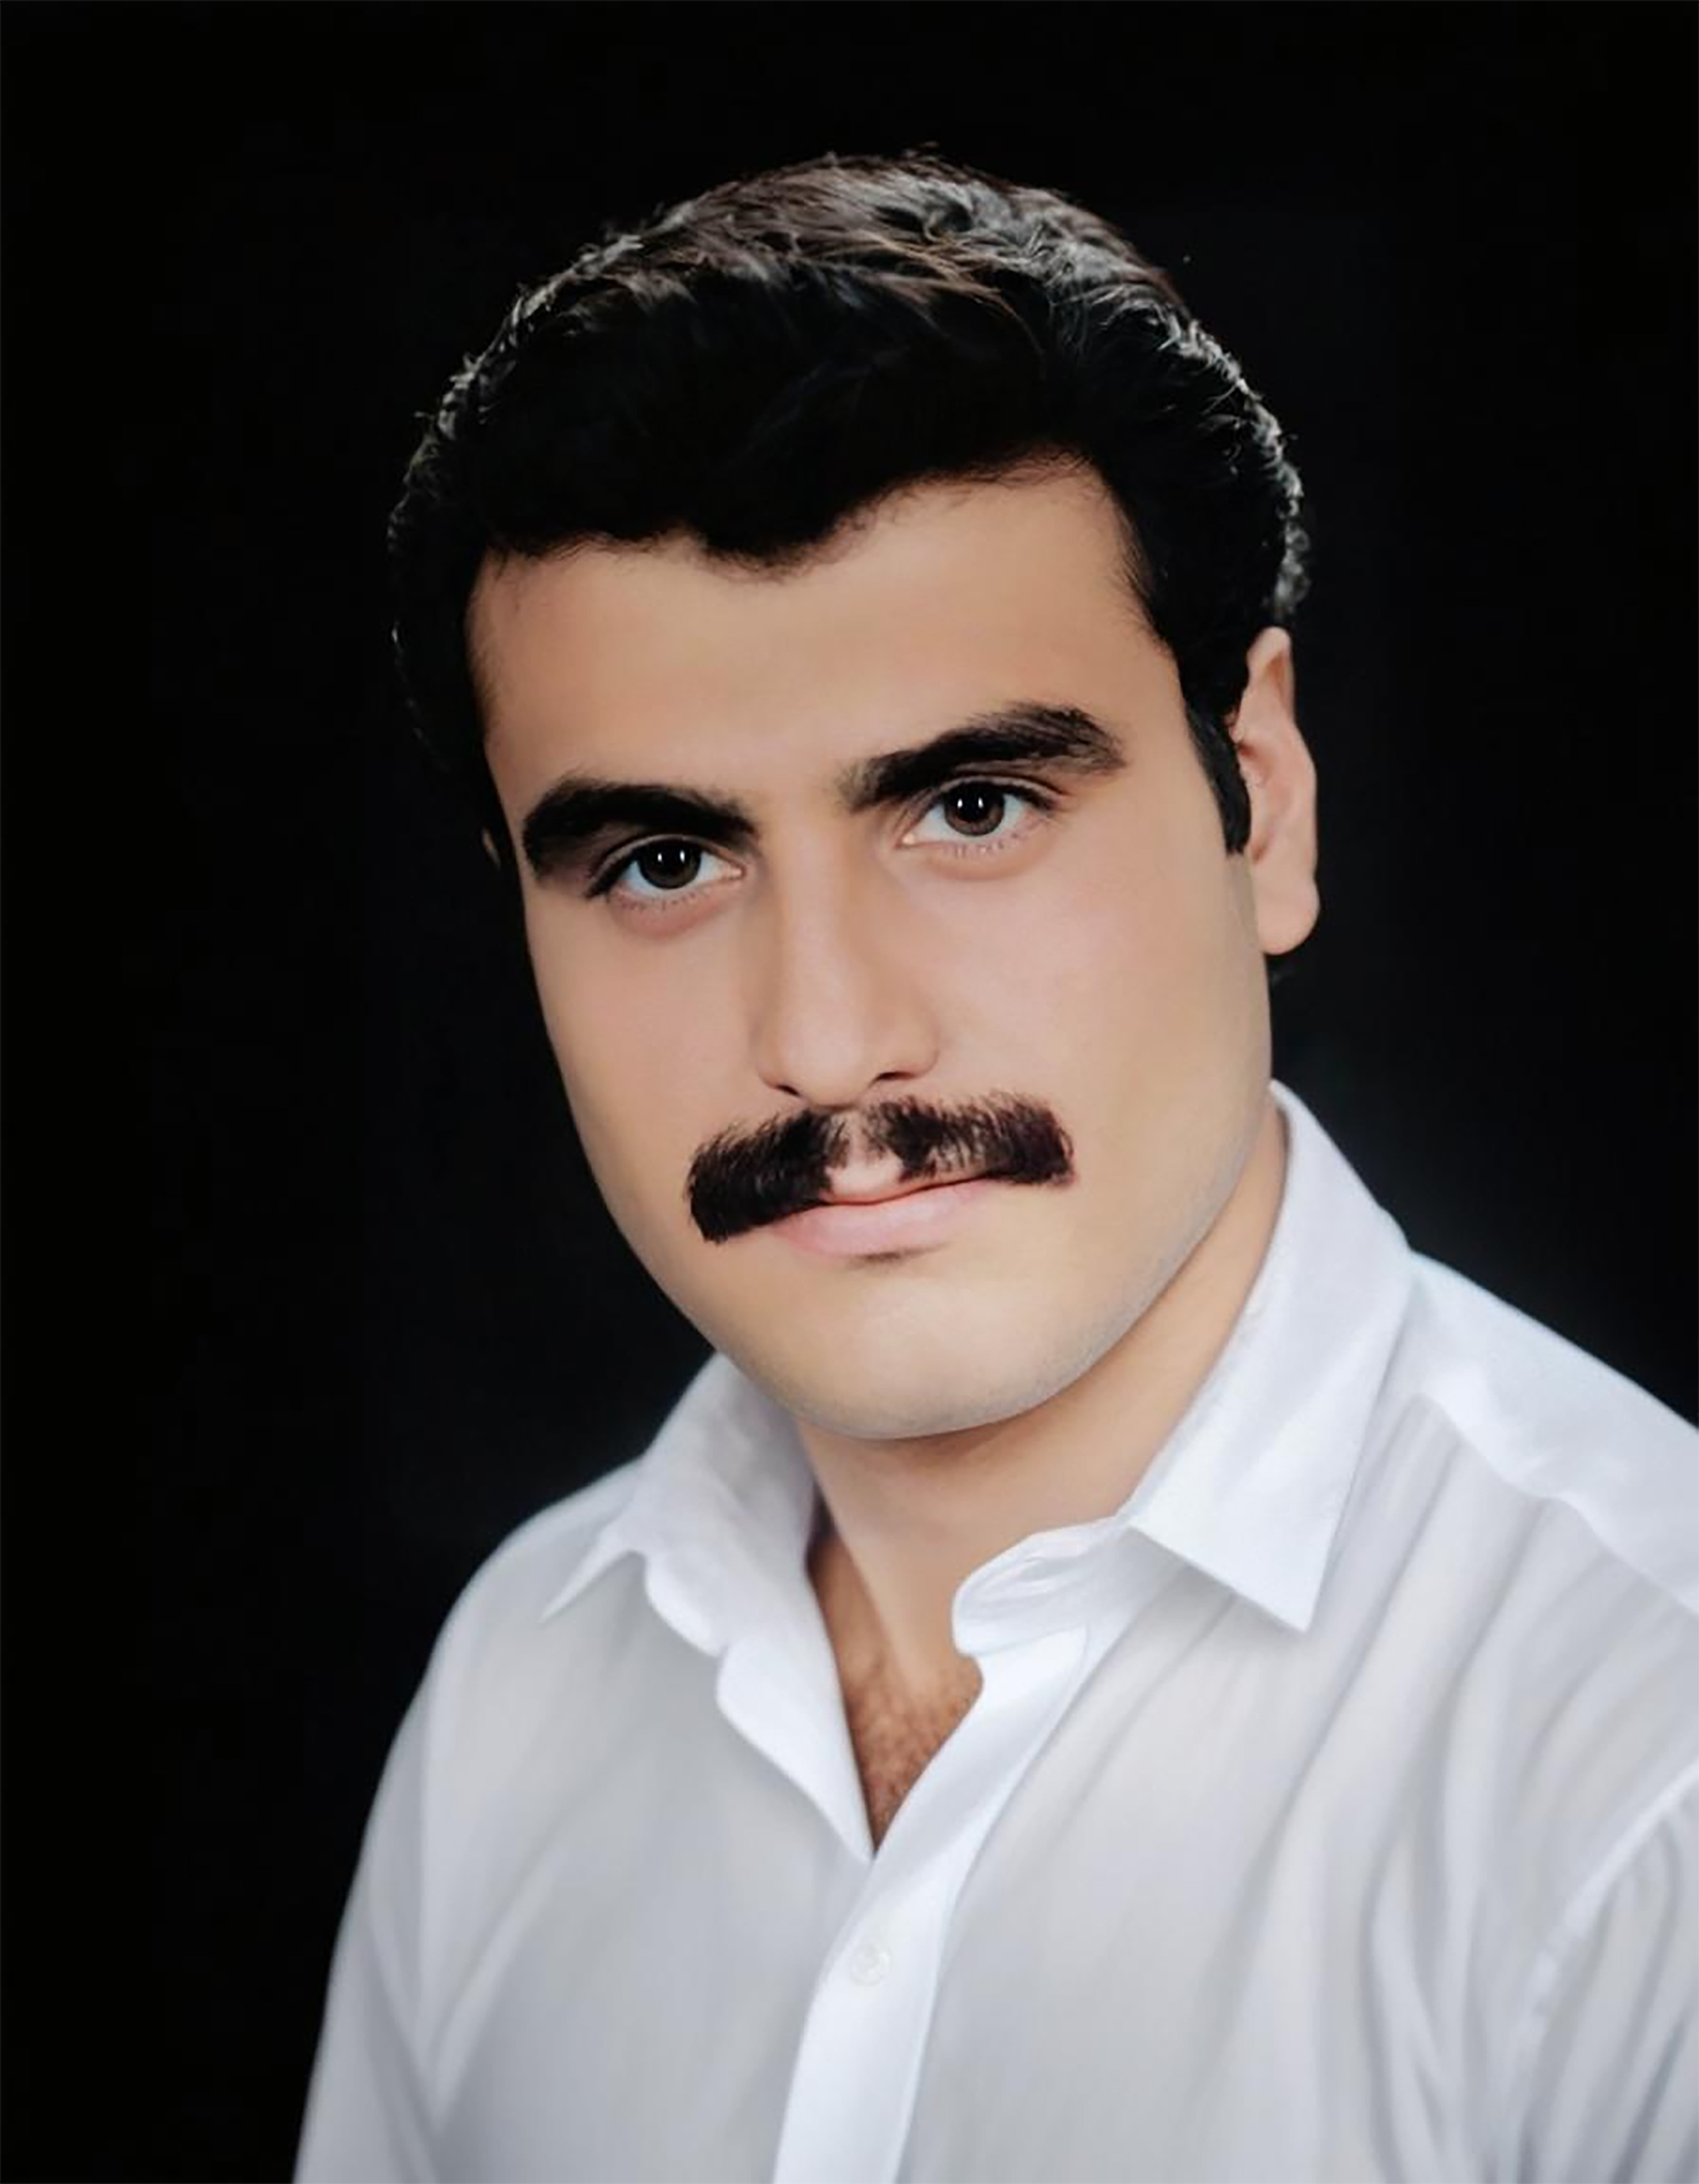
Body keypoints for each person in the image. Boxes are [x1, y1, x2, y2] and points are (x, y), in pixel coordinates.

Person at [297, 149, 1697, 2184]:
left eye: (973, 807)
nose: (827, 1035)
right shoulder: (523, 1692)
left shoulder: (1651, 1769)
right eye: (665, 861)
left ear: (1262, 798)